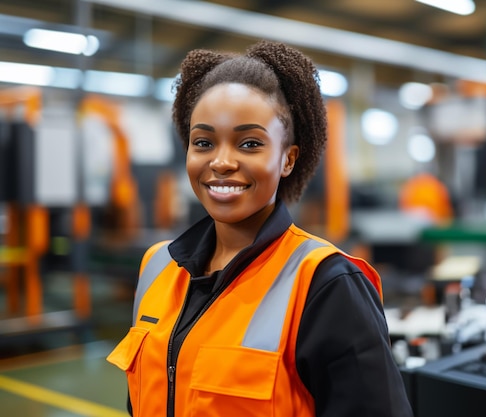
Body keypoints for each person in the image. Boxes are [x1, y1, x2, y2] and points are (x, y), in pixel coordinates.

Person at [106, 40, 413, 417]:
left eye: (249, 143)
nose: (220, 161)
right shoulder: (156, 266)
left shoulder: (325, 283)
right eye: (203, 142)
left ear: (287, 159)